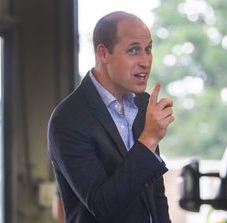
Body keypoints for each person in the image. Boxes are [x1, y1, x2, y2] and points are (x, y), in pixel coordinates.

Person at [47, 11, 174, 223]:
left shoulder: (142, 104)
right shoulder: (67, 120)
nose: (145, 61)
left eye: (148, 49)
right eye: (133, 50)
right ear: (103, 53)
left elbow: (155, 195)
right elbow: (103, 206)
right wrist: (149, 138)